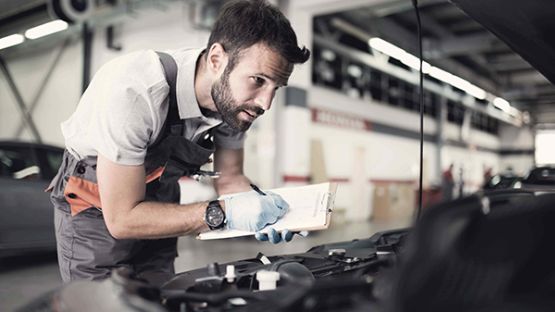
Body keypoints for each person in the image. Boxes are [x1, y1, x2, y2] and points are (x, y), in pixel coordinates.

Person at [47, 0, 310, 285]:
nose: (265, 103)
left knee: (162, 299)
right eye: (258, 80)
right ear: (216, 59)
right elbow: (122, 219)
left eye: (276, 87)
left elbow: (231, 179)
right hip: (95, 212)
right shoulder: (135, 92)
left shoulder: (235, 105)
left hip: (160, 204)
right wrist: (226, 213)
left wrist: (264, 213)